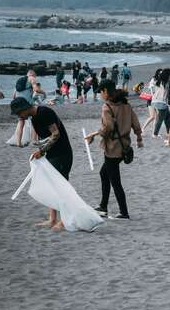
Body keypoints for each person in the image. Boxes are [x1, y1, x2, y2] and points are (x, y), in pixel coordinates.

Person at [10, 97, 73, 230]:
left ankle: (64, 220)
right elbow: (45, 138)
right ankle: (52, 219)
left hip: (62, 154)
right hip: (52, 154)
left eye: (18, 113)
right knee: (51, 186)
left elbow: (56, 135)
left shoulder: (44, 113)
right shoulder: (34, 118)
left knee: (61, 187)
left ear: (24, 109)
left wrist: (42, 150)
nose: (19, 117)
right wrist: (38, 149)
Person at [84, 80, 143, 219]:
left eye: (100, 92)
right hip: (125, 146)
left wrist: (94, 134)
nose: (100, 95)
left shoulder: (107, 107)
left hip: (112, 148)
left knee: (115, 180)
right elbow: (135, 122)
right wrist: (139, 138)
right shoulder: (125, 104)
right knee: (104, 174)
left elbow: (108, 127)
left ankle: (124, 212)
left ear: (105, 91)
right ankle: (103, 206)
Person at [152, 68, 170, 138]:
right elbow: (169, 92)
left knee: (167, 116)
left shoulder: (157, 80)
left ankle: (169, 133)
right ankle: (155, 134)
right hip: (162, 102)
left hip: (154, 101)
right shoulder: (167, 82)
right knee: (161, 118)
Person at [142, 68, 162, 135]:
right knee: (152, 116)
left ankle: (154, 133)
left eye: (162, 73)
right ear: (157, 73)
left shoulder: (161, 81)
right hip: (151, 99)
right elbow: (151, 88)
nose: (160, 74)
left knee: (157, 117)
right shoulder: (154, 80)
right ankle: (142, 129)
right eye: (160, 73)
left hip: (157, 100)